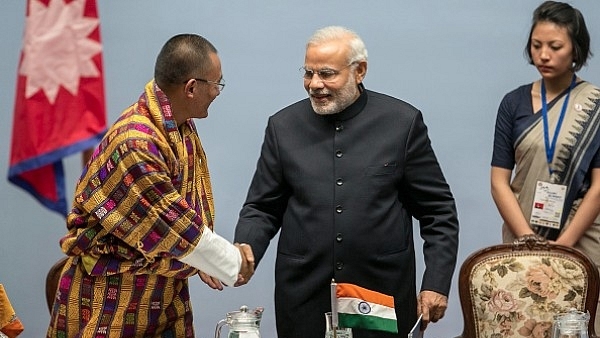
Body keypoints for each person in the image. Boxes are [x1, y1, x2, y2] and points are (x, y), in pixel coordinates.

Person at [233, 26, 459, 338]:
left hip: (381, 293)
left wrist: (435, 282)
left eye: (327, 74)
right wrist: (244, 248)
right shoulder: (282, 127)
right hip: (304, 296)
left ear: (359, 71)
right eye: (308, 73)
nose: (315, 85)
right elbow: (261, 207)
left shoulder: (402, 123)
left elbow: (439, 212)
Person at [46, 34, 255, 338]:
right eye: (216, 84)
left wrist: (200, 260)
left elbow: (179, 225)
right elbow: (172, 224)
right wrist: (231, 262)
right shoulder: (136, 142)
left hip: (163, 299)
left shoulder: (178, 126)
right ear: (192, 88)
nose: (217, 92)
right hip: (111, 300)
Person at [491, 0, 600, 330]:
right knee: (523, 321)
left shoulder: (595, 105)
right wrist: (527, 240)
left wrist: (564, 246)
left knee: (581, 321)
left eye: (555, 46)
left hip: (583, 237)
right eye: (537, 46)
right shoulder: (514, 103)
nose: (544, 55)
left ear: (576, 50)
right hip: (524, 231)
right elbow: (499, 180)